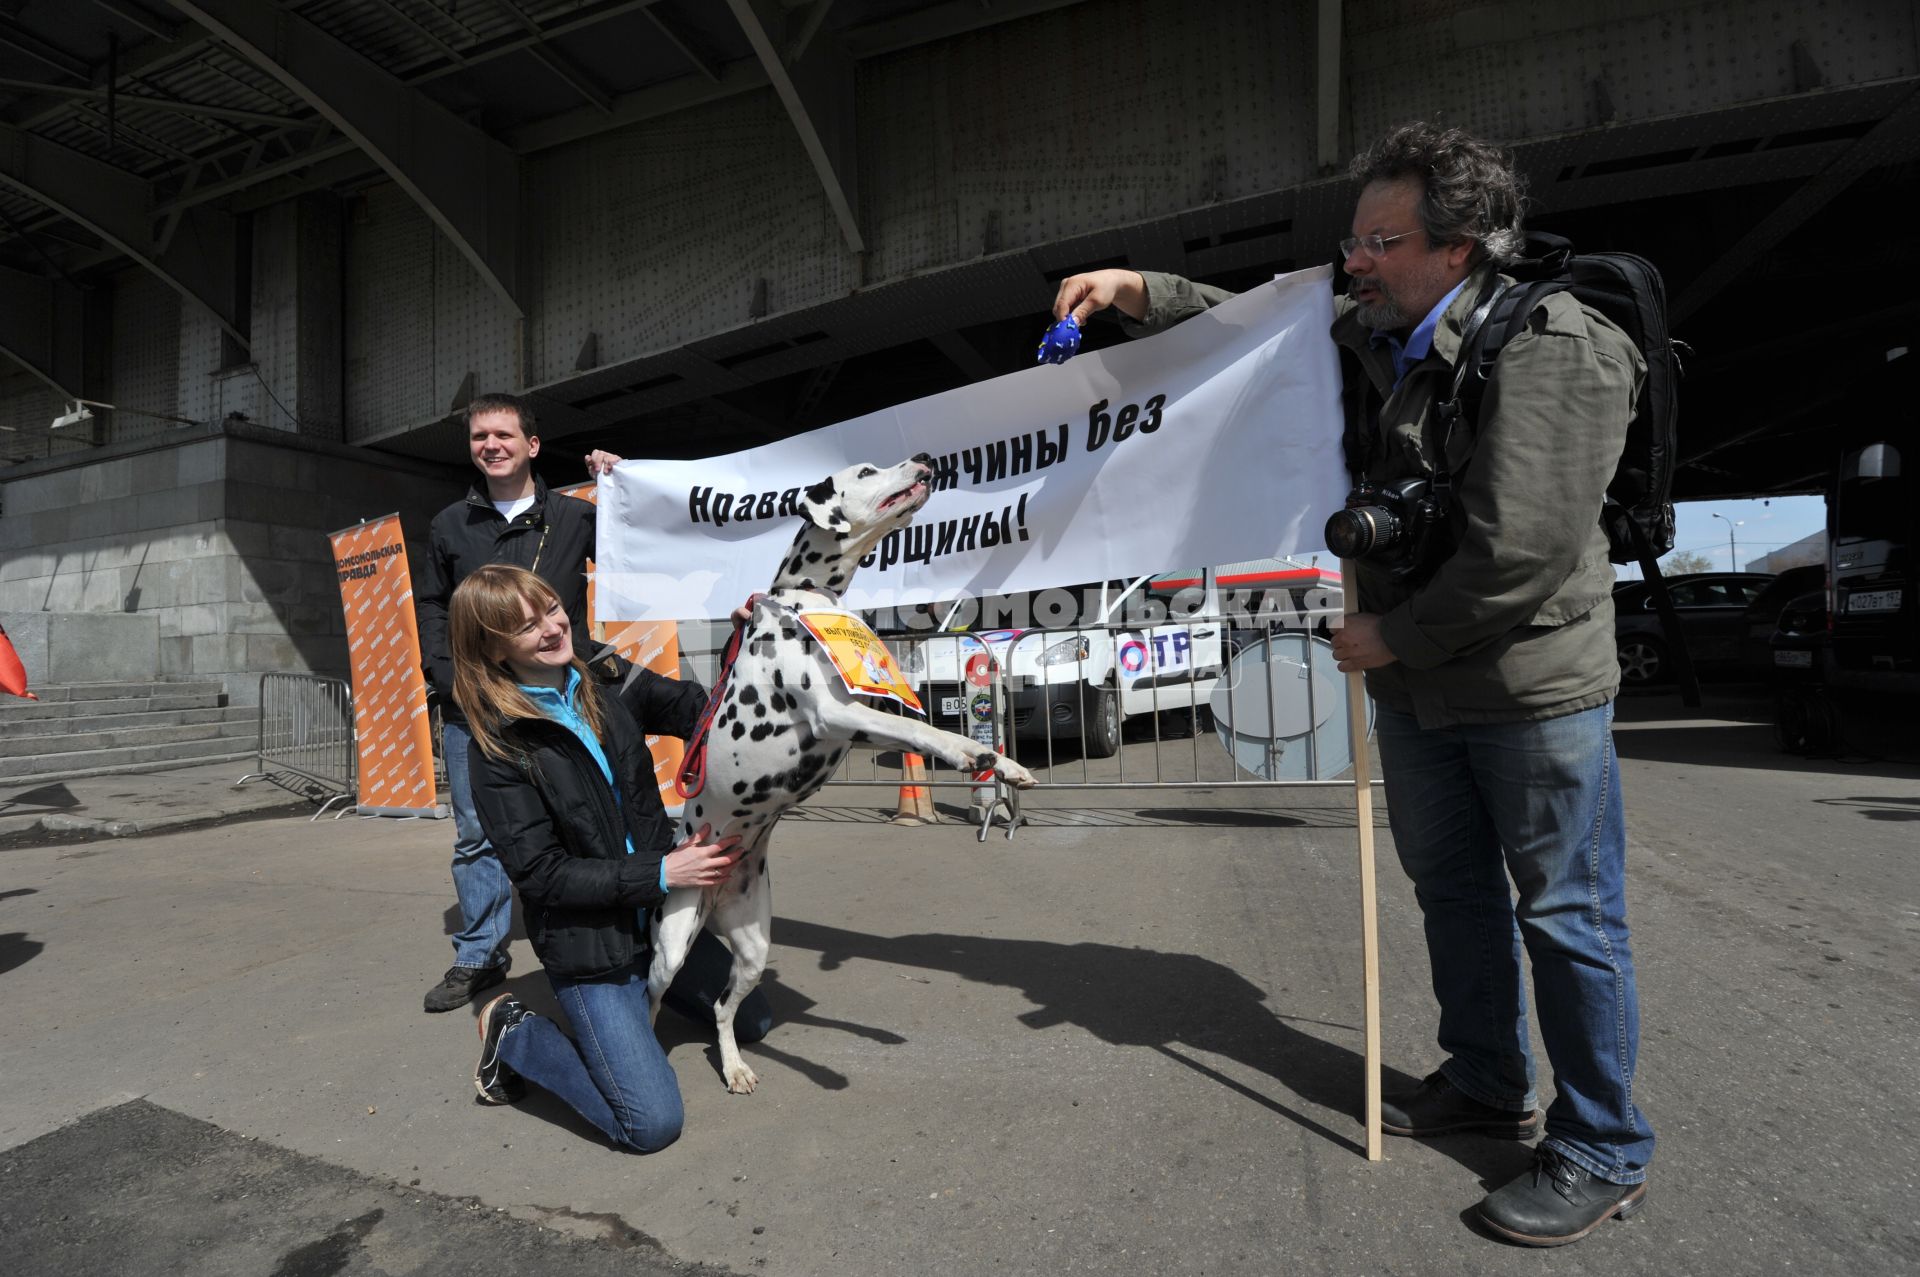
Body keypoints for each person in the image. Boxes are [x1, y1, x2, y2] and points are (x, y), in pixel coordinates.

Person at [1052, 122, 1653, 1246]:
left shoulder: (1559, 346)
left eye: (1379, 241)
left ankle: (1602, 1143)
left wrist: (1391, 634)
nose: (1354, 263)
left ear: (1459, 248)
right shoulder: (1386, 328)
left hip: (1527, 687)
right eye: (1354, 238)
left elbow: (1519, 550)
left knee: (1568, 915)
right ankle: (1484, 1073)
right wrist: (1142, 290)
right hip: (1422, 684)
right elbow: (1257, 331)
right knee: (1455, 892)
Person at [415, 392, 766, 1037]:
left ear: (532, 446)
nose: (490, 445)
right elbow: (435, 608)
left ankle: (646, 928)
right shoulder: (448, 527)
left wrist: (626, 490)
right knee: (476, 836)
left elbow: (653, 557)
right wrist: (448, 682)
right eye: (478, 437)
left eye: (504, 435)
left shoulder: (576, 517)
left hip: (569, 684)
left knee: (602, 809)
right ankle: (479, 955)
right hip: (481, 707)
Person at [450, 563, 748, 1150]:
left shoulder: (602, 677)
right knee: (650, 1124)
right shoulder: (498, 745)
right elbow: (541, 875)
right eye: (526, 625)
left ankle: (639, 1003)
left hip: (661, 919)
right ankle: (513, 1031)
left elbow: (696, 709)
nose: (552, 627)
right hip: (592, 947)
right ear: (491, 647)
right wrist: (664, 870)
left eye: (551, 609)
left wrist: (745, 646)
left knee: (753, 1015)